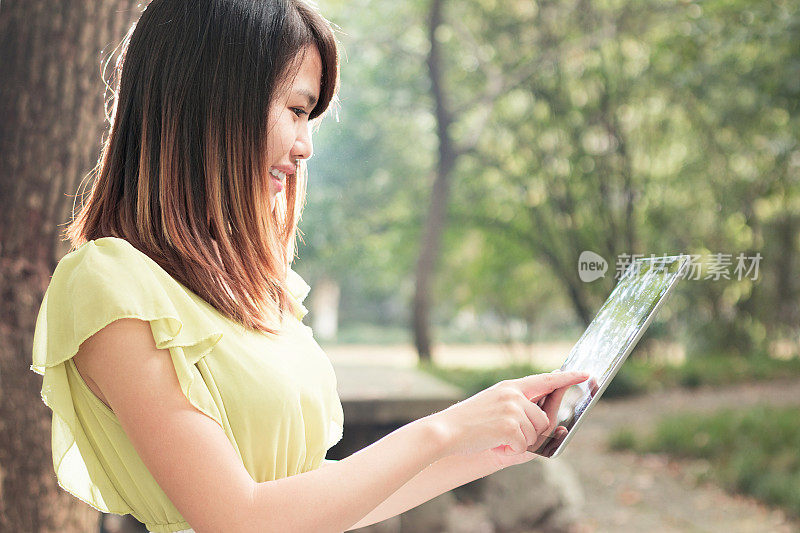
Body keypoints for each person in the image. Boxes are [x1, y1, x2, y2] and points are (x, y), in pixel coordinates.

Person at [30, 1, 589, 531]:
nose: (305, 147)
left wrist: (495, 447)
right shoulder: (109, 284)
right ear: (214, 98)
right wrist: (442, 430)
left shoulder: (245, 285)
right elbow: (240, 519)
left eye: (310, 118)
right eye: (297, 110)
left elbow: (317, 496)